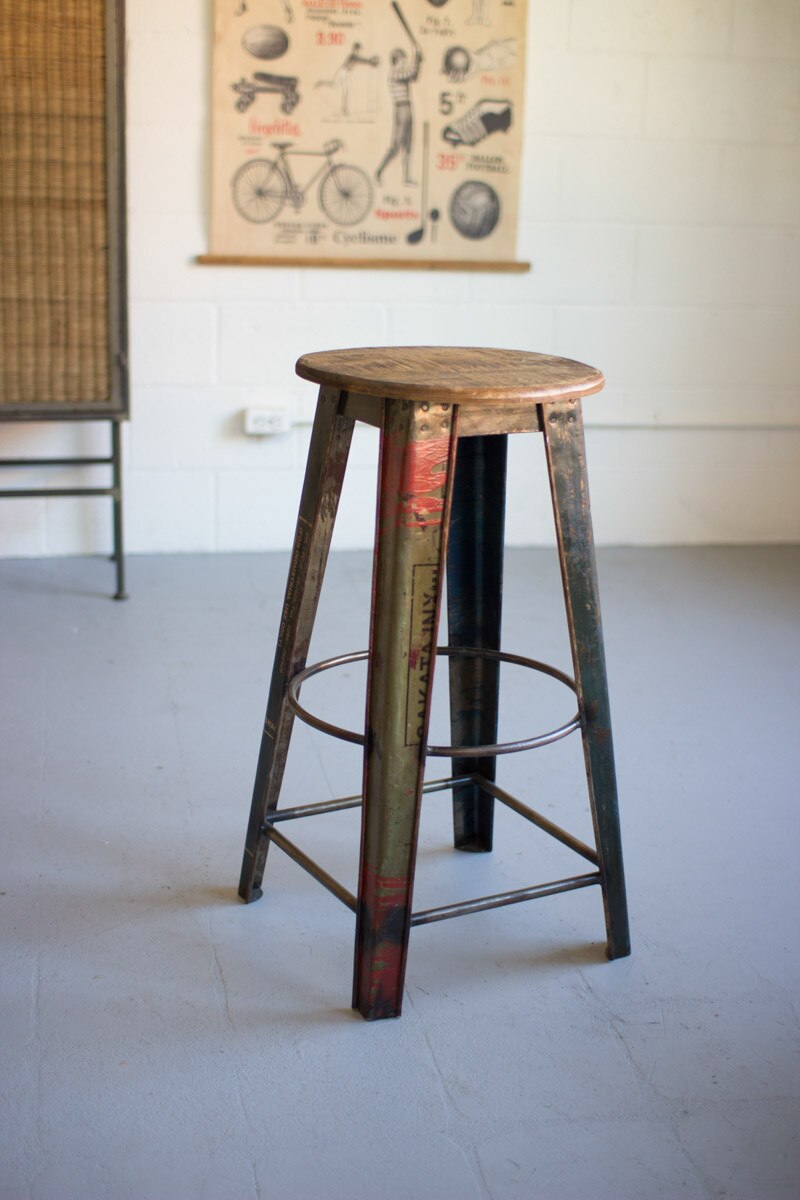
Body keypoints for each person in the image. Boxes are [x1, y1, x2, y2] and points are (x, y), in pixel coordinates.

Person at [375, 46, 422, 187]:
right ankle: (379, 171)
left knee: (408, 145)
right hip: (401, 109)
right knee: (396, 146)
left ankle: (406, 178)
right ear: (396, 61)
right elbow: (412, 73)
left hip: (407, 108)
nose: (405, 63)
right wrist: (416, 57)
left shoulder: (401, 72)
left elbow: (414, 75)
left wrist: (417, 60)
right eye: (403, 60)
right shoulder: (394, 73)